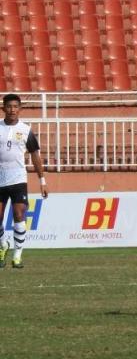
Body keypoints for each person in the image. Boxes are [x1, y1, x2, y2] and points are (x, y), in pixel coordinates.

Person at [0, 94, 49, 269]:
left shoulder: (26, 130)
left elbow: (35, 155)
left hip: (18, 179)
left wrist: (42, 180)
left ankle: (17, 255)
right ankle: (3, 245)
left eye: (15, 106)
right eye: (9, 106)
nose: (12, 109)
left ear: (20, 109)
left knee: (19, 215)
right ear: (3, 108)